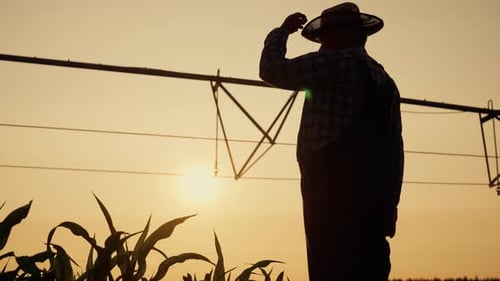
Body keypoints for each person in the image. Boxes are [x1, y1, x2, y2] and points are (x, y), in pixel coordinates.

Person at [259, 2, 404, 281]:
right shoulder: (386, 81)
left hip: (329, 189)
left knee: (330, 265)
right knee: (369, 269)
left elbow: (272, 70)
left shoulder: (335, 63)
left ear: (338, 36)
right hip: (374, 200)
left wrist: (281, 33)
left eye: (324, 38)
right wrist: (390, 204)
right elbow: (395, 150)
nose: (321, 45)